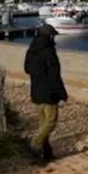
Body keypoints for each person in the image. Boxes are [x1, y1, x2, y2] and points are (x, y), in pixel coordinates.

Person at [23, 22, 69, 164]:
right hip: (49, 92)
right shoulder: (49, 52)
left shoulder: (32, 49)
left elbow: (27, 68)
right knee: (50, 121)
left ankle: (46, 152)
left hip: (36, 90)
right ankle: (35, 144)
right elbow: (55, 75)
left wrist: (38, 76)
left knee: (43, 122)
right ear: (48, 37)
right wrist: (62, 93)